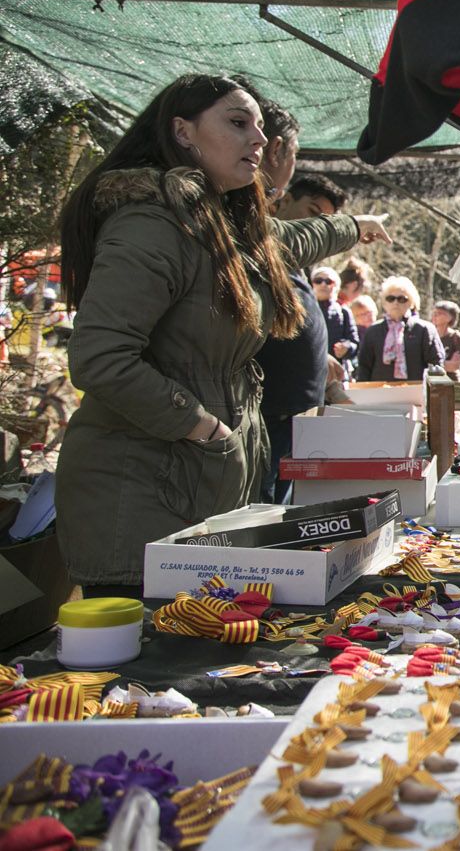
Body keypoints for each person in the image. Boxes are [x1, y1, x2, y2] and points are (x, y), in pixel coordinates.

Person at [53, 74, 390, 593]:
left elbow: (291, 238)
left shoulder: (220, 221)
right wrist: (203, 427)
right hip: (141, 496)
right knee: (148, 640)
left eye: (260, 127)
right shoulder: (152, 225)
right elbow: (100, 358)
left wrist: (354, 225)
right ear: (183, 132)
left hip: (200, 484)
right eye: (237, 123)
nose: (259, 139)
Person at [255, 163, 352, 504]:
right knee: (263, 507)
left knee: (283, 504)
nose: (318, 226)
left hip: (299, 416)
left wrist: (320, 358)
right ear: (282, 201)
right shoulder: (263, 250)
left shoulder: (298, 264)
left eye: (327, 221)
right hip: (269, 412)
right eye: (312, 212)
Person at [355, 275, 444, 382]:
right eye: (390, 298)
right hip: (380, 390)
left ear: (411, 303)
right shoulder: (373, 331)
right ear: (384, 303)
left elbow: (436, 365)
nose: (395, 303)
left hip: (416, 389)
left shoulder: (424, 330)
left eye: (402, 299)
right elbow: (364, 367)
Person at [311, 264, 359, 372]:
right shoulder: (303, 310)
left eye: (328, 281)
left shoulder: (343, 311)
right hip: (310, 370)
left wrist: (346, 348)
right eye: (318, 281)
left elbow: (354, 343)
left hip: (336, 370)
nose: (323, 284)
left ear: (336, 286)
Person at [431, 300, 460, 380]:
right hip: (433, 381)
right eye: (434, 313)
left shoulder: (457, 338)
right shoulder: (429, 336)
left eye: (439, 313)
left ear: (450, 318)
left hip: (453, 382)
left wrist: (433, 365)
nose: (435, 316)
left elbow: (453, 366)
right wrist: (445, 364)